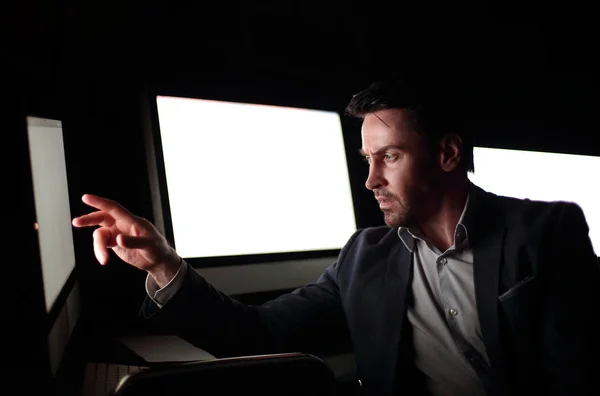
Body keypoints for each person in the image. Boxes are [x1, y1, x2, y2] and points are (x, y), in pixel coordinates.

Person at [72, 76, 600, 396]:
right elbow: (254, 335)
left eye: (389, 157)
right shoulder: (365, 256)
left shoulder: (547, 231)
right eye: (367, 161)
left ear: (447, 154)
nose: (371, 180)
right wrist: (163, 263)